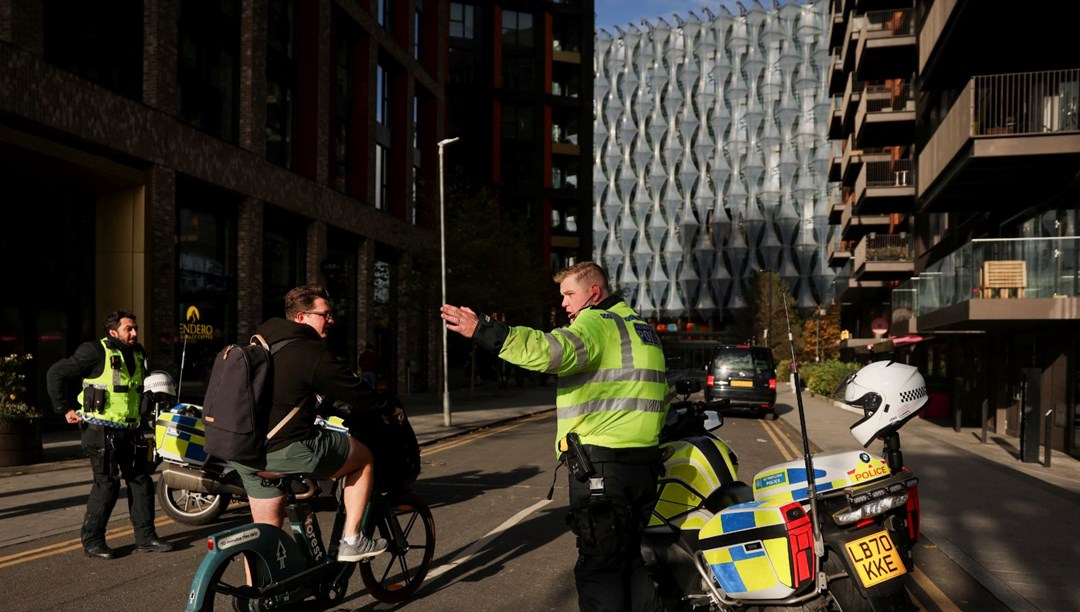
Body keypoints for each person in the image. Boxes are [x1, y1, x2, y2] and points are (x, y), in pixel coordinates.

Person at [441, 261, 668, 612]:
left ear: (594, 293)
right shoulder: (642, 328)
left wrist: (484, 330)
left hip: (602, 469)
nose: (563, 303)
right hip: (645, 465)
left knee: (600, 570)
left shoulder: (596, 323)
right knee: (632, 563)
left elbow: (548, 351)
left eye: (568, 294)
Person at [230, 284, 394, 562]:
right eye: (325, 314)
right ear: (302, 317)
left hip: (245, 452)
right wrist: (389, 407)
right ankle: (352, 540)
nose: (331, 320)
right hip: (286, 448)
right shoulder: (309, 352)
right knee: (364, 458)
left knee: (266, 535)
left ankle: (256, 595)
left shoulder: (260, 343)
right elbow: (355, 391)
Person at [46, 310, 174, 559]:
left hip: (131, 430)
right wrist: (64, 409)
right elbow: (56, 373)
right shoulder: (94, 351)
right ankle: (93, 541)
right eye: (129, 329)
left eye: (135, 327)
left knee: (141, 482)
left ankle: (145, 538)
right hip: (100, 431)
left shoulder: (138, 352)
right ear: (113, 331)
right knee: (107, 485)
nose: (135, 333)